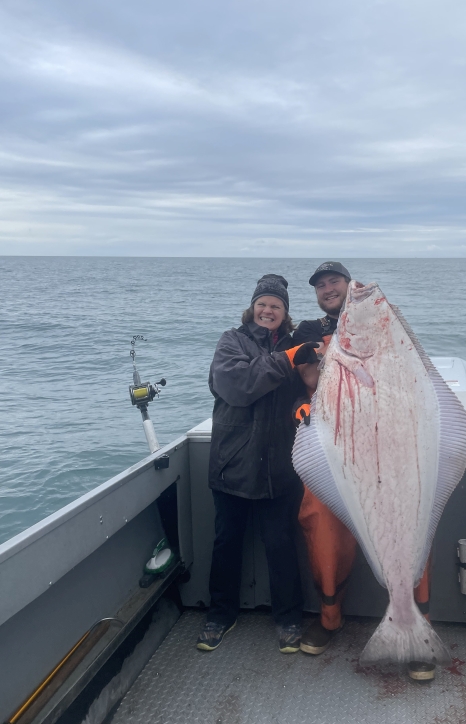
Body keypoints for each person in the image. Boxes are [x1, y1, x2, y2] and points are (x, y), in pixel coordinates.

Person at [292, 261, 436, 681]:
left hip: (390, 445)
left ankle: (417, 626)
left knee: (412, 519)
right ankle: (330, 617)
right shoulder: (307, 332)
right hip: (337, 448)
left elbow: (415, 377)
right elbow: (303, 381)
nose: (329, 288)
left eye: (335, 281)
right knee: (320, 520)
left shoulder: (390, 327)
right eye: (321, 285)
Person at [196, 274, 317, 654]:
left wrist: (303, 403)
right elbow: (238, 386)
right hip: (232, 461)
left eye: (276, 306)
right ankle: (220, 615)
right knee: (226, 543)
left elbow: (304, 387)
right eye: (262, 304)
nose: (268, 310)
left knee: (281, 544)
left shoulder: (295, 346)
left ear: (284, 312)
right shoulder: (231, 341)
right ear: (252, 308)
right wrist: (288, 359)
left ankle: (289, 618)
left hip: (280, 464)